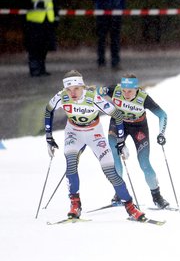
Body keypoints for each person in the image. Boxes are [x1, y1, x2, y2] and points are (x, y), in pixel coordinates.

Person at [44, 70, 146, 221]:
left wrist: (120, 141)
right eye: (69, 89)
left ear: (82, 87)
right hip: (73, 133)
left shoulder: (93, 98)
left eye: (76, 88)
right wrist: (49, 137)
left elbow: (117, 115)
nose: (72, 93)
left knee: (110, 172)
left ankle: (131, 208)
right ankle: (75, 205)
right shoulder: (62, 97)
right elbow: (48, 110)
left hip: (94, 134)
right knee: (71, 164)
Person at [97, 74, 170, 208]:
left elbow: (162, 114)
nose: (126, 94)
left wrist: (161, 133)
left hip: (139, 127)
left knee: (144, 163)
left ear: (136, 89)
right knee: (114, 158)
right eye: (124, 90)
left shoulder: (144, 98)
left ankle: (157, 196)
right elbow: (96, 92)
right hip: (117, 124)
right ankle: (119, 193)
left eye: (129, 91)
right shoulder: (114, 90)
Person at [91, 0, 126, 70]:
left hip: (116, 14)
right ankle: (101, 62)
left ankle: (115, 62)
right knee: (102, 39)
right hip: (102, 14)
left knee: (115, 39)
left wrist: (123, 4)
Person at [24, 0, 58, 77]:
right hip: (34, 22)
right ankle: (34, 69)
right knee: (34, 47)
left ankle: (42, 68)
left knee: (44, 47)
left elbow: (55, 4)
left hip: (47, 21)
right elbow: (24, 3)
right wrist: (36, 5)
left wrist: (56, 18)